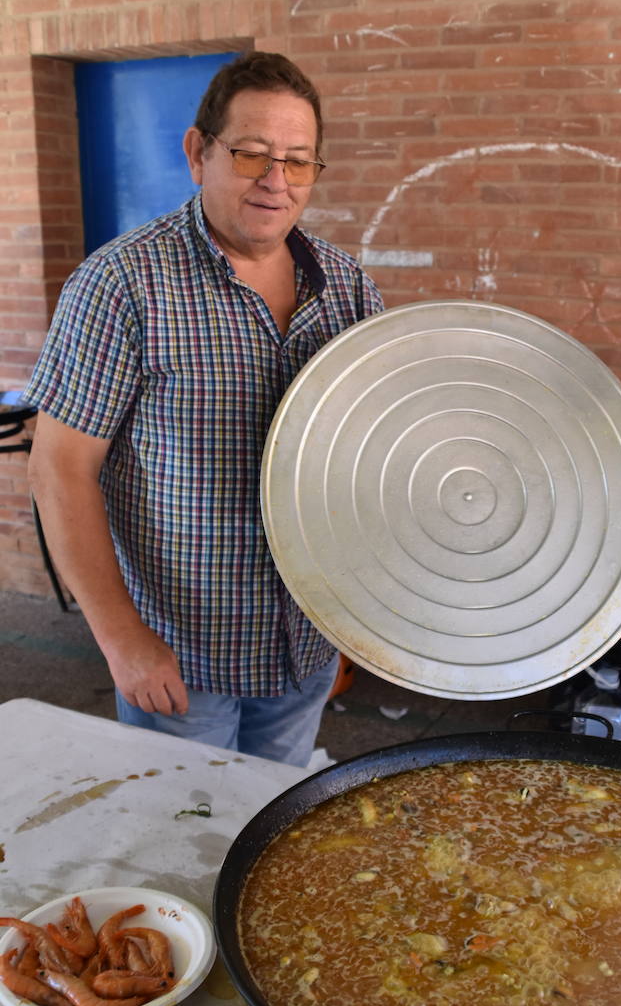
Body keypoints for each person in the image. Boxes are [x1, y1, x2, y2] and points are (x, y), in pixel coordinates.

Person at [23, 51, 384, 766]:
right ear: (199, 152)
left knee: (271, 826)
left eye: (299, 160)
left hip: (303, 649)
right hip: (181, 662)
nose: (276, 181)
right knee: (177, 841)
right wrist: (122, 641)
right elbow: (59, 470)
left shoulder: (347, 289)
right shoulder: (121, 286)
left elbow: (369, 454)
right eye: (251, 153)